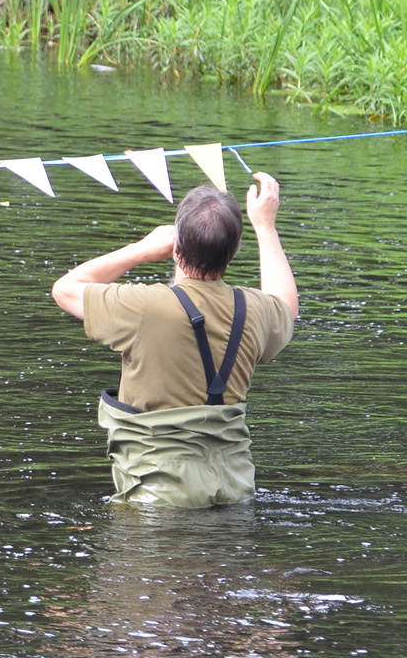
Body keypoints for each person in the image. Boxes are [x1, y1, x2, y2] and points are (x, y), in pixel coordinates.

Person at [50, 173, 298, 507]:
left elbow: (64, 289)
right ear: (234, 252)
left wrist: (140, 250)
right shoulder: (256, 310)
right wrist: (265, 226)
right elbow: (287, 305)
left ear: (175, 247)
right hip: (235, 491)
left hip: (158, 498)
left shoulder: (142, 306)